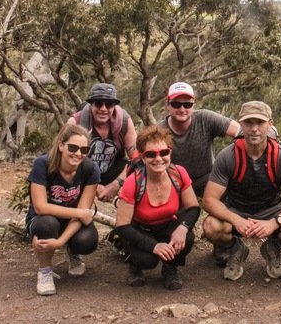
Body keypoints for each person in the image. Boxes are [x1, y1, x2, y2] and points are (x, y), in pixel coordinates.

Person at [202, 101, 281, 281]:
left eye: (259, 123)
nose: (254, 129)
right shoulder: (228, 156)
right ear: (241, 124)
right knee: (211, 227)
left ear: (270, 124)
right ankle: (236, 248)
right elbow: (209, 200)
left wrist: (275, 223)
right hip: (236, 208)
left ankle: (273, 247)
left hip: (271, 209)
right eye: (248, 123)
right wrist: (236, 220)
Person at [114, 126, 200, 290]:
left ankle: (170, 267)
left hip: (166, 224)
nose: (158, 158)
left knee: (186, 239)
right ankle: (135, 265)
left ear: (170, 152)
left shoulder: (178, 173)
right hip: (137, 228)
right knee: (148, 260)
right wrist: (154, 246)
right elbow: (122, 226)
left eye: (164, 152)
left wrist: (183, 228)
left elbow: (194, 208)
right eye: (151, 154)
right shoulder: (133, 182)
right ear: (143, 157)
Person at [26, 124, 100, 296]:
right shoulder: (42, 164)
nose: (78, 153)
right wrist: (80, 213)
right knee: (46, 225)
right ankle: (44, 271)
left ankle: (73, 251)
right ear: (61, 145)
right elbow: (40, 206)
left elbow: (83, 212)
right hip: (43, 217)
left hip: (72, 221)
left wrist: (60, 242)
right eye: (73, 147)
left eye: (84, 149)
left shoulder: (90, 169)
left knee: (87, 240)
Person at [158, 81, 240, 197]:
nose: (182, 109)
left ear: (193, 105)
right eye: (176, 104)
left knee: (237, 195)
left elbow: (240, 131)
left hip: (208, 179)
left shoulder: (205, 118)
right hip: (175, 184)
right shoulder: (160, 131)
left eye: (187, 105)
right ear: (167, 105)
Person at [67, 83, 137, 202]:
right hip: (82, 170)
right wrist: (93, 185)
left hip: (113, 170)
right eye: (98, 103)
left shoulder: (125, 121)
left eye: (109, 104)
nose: (103, 109)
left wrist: (117, 183)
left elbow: (137, 157)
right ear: (91, 105)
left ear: (114, 106)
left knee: (142, 168)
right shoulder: (75, 122)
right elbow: (63, 159)